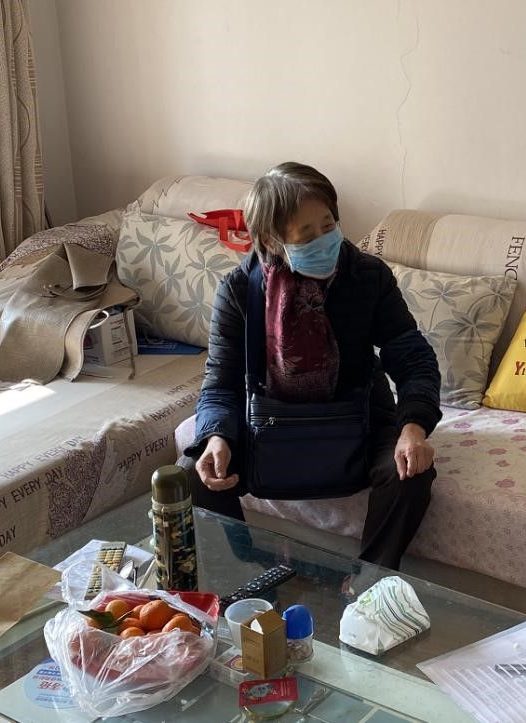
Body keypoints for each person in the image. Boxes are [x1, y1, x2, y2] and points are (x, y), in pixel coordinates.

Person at [180, 161, 442, 570]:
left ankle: (368, 580)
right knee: (194, 470)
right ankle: (250, 570)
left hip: (360, 418)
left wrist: (413, 427)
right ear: (271, 239)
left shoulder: (367, 276)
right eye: (306, 234)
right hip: (270, 423)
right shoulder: (239, 290)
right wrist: (217, 437)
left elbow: (411, 355)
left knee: (411, 473)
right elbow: (220, 383)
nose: (325, 241)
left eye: (328, 225)